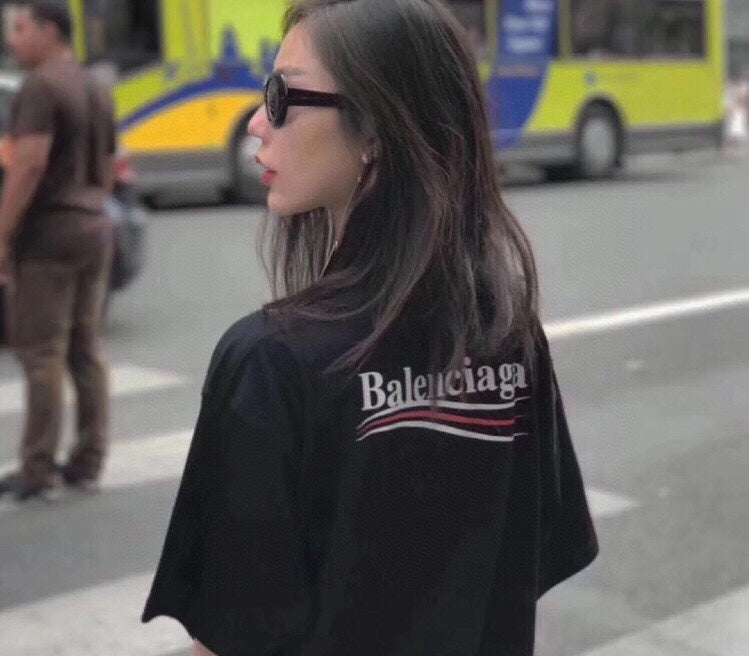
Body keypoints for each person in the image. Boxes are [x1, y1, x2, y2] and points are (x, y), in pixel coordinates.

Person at [142, 1, 598, 654]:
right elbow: (533, 557)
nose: (256, 122)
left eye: (281, 96)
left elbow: (231, 636)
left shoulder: (271, 360)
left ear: (377, 129)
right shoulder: (510, 336)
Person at [0, 1, 116, 501]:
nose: (13, 40)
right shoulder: (95, 85)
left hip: (48, 233)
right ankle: (88, 460)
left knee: (41, 353)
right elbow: (108, 164)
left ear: (49, 30)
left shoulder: (40, 86)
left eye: (20, 29)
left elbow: (28, 164)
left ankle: (37, 468)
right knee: (84, 350)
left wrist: (1, 234)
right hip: (94, 225)